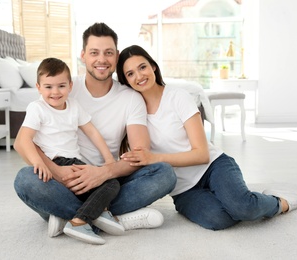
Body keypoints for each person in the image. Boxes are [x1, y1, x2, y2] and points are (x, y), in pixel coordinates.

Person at [13, 23, 177, 240]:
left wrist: (104, 172)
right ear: (83, 55)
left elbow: (140, 152)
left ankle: (69, 215)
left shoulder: (130, 98)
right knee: (25, 179)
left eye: (108, 53)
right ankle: (109, 217)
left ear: (117, 56)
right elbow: (26, 142)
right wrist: (57, 172)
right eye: (94, 53)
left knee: (164, 173)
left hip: (109, 179)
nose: (102, 59)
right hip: (66, 179)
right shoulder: (62, 87)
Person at [116, 45, 297, 230]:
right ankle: (247, 199)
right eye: (130, 73)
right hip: (184, 190)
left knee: (243, 208)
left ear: (153, 67)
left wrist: (155, 158)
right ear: (126, 81)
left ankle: (278, 202)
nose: (139, 76)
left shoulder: (177, 97)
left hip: (213, 167)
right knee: (219, 220)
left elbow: (202, 155)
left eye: (142, 67)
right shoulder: (133, 113)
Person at [16, 57, 124, 244]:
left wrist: (109, 159)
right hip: (56, 162)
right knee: (111, 185)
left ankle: (66, 217)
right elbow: (24, 139)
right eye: (48, 87)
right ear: (38, 87)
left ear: (70, 85)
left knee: (109, 182)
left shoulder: (74, 106)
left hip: (75, 162)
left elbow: (92, 132)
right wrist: (39, 163)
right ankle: (82, 221)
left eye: (61, 86)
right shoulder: (37, 108)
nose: (55, 92)